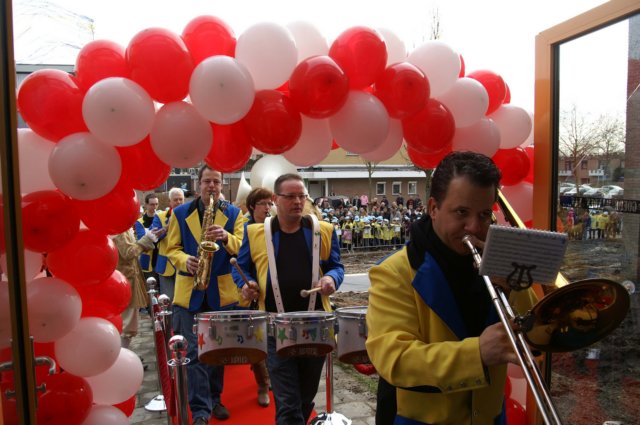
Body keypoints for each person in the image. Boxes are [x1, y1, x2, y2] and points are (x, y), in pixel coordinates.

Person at [365, 151, 537, 424]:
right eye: (461, 212)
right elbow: (393, 359)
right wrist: (476, 353)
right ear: (433, 208)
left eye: (484, 215)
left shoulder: (495, 265)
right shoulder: (394, 272)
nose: (474, 227)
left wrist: (513, 286)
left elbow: (533, 333)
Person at [234, 173, 344, 425]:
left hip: (315, 327)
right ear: (275, 199)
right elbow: (241, 268)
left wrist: (331, 279)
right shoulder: (255, 233)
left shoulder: (324, 230)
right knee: (288, 404)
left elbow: (336, 266)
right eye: (291, 196)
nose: (298, 201)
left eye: (302, 196)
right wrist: (246, 283)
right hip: (276, 328)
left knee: (305, 399)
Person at [165, 164, 246, 424]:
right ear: (198, 183)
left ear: (222, 186)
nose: (212, 186)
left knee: (217, 352)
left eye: (217, 182)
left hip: (220, 293)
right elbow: (171, 248)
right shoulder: (179, 213)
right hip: (190, 292)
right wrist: (184, 260)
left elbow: (243, 247)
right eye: (207, 181)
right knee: (193, 353)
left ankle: (215, 397)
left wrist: (227, 237)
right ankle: (200, 410)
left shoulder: (234, 214)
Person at [233, 186, 274, 407]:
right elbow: (240, 264)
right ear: (252, 206)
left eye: (270, 203)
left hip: (275, 296)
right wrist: (245, 282)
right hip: (254, 296)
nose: (268, 208)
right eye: (263, 204)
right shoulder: (246, 229)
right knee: (257, 343)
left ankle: (272, 376)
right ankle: (262, 383)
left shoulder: (276, 226)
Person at [112, 225, 162, 349]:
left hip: (123, 279)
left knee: (126, 323)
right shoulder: (119, 228)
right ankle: (120, 358)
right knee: (127, 325)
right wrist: (147, 240)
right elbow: (129, 253)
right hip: (126, 280)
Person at [151, 187, 185, 301]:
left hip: (184, 264)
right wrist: (166, 227)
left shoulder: (189, 216)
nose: (179, 202)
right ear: (170, 202)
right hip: (166, 266)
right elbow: (153, 237)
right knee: (167, 300)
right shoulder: (160, 217)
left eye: (181, 199)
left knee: (182, 300)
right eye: (175, 200)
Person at [134, 193, 161, 284]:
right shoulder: (139, 222)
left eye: (156, 204)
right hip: (147, 260)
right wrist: (157, 225)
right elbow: (142, 239)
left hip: (161, 259)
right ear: (146, 205)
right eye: (152, 204)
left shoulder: (161, 218)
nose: (155, 207)